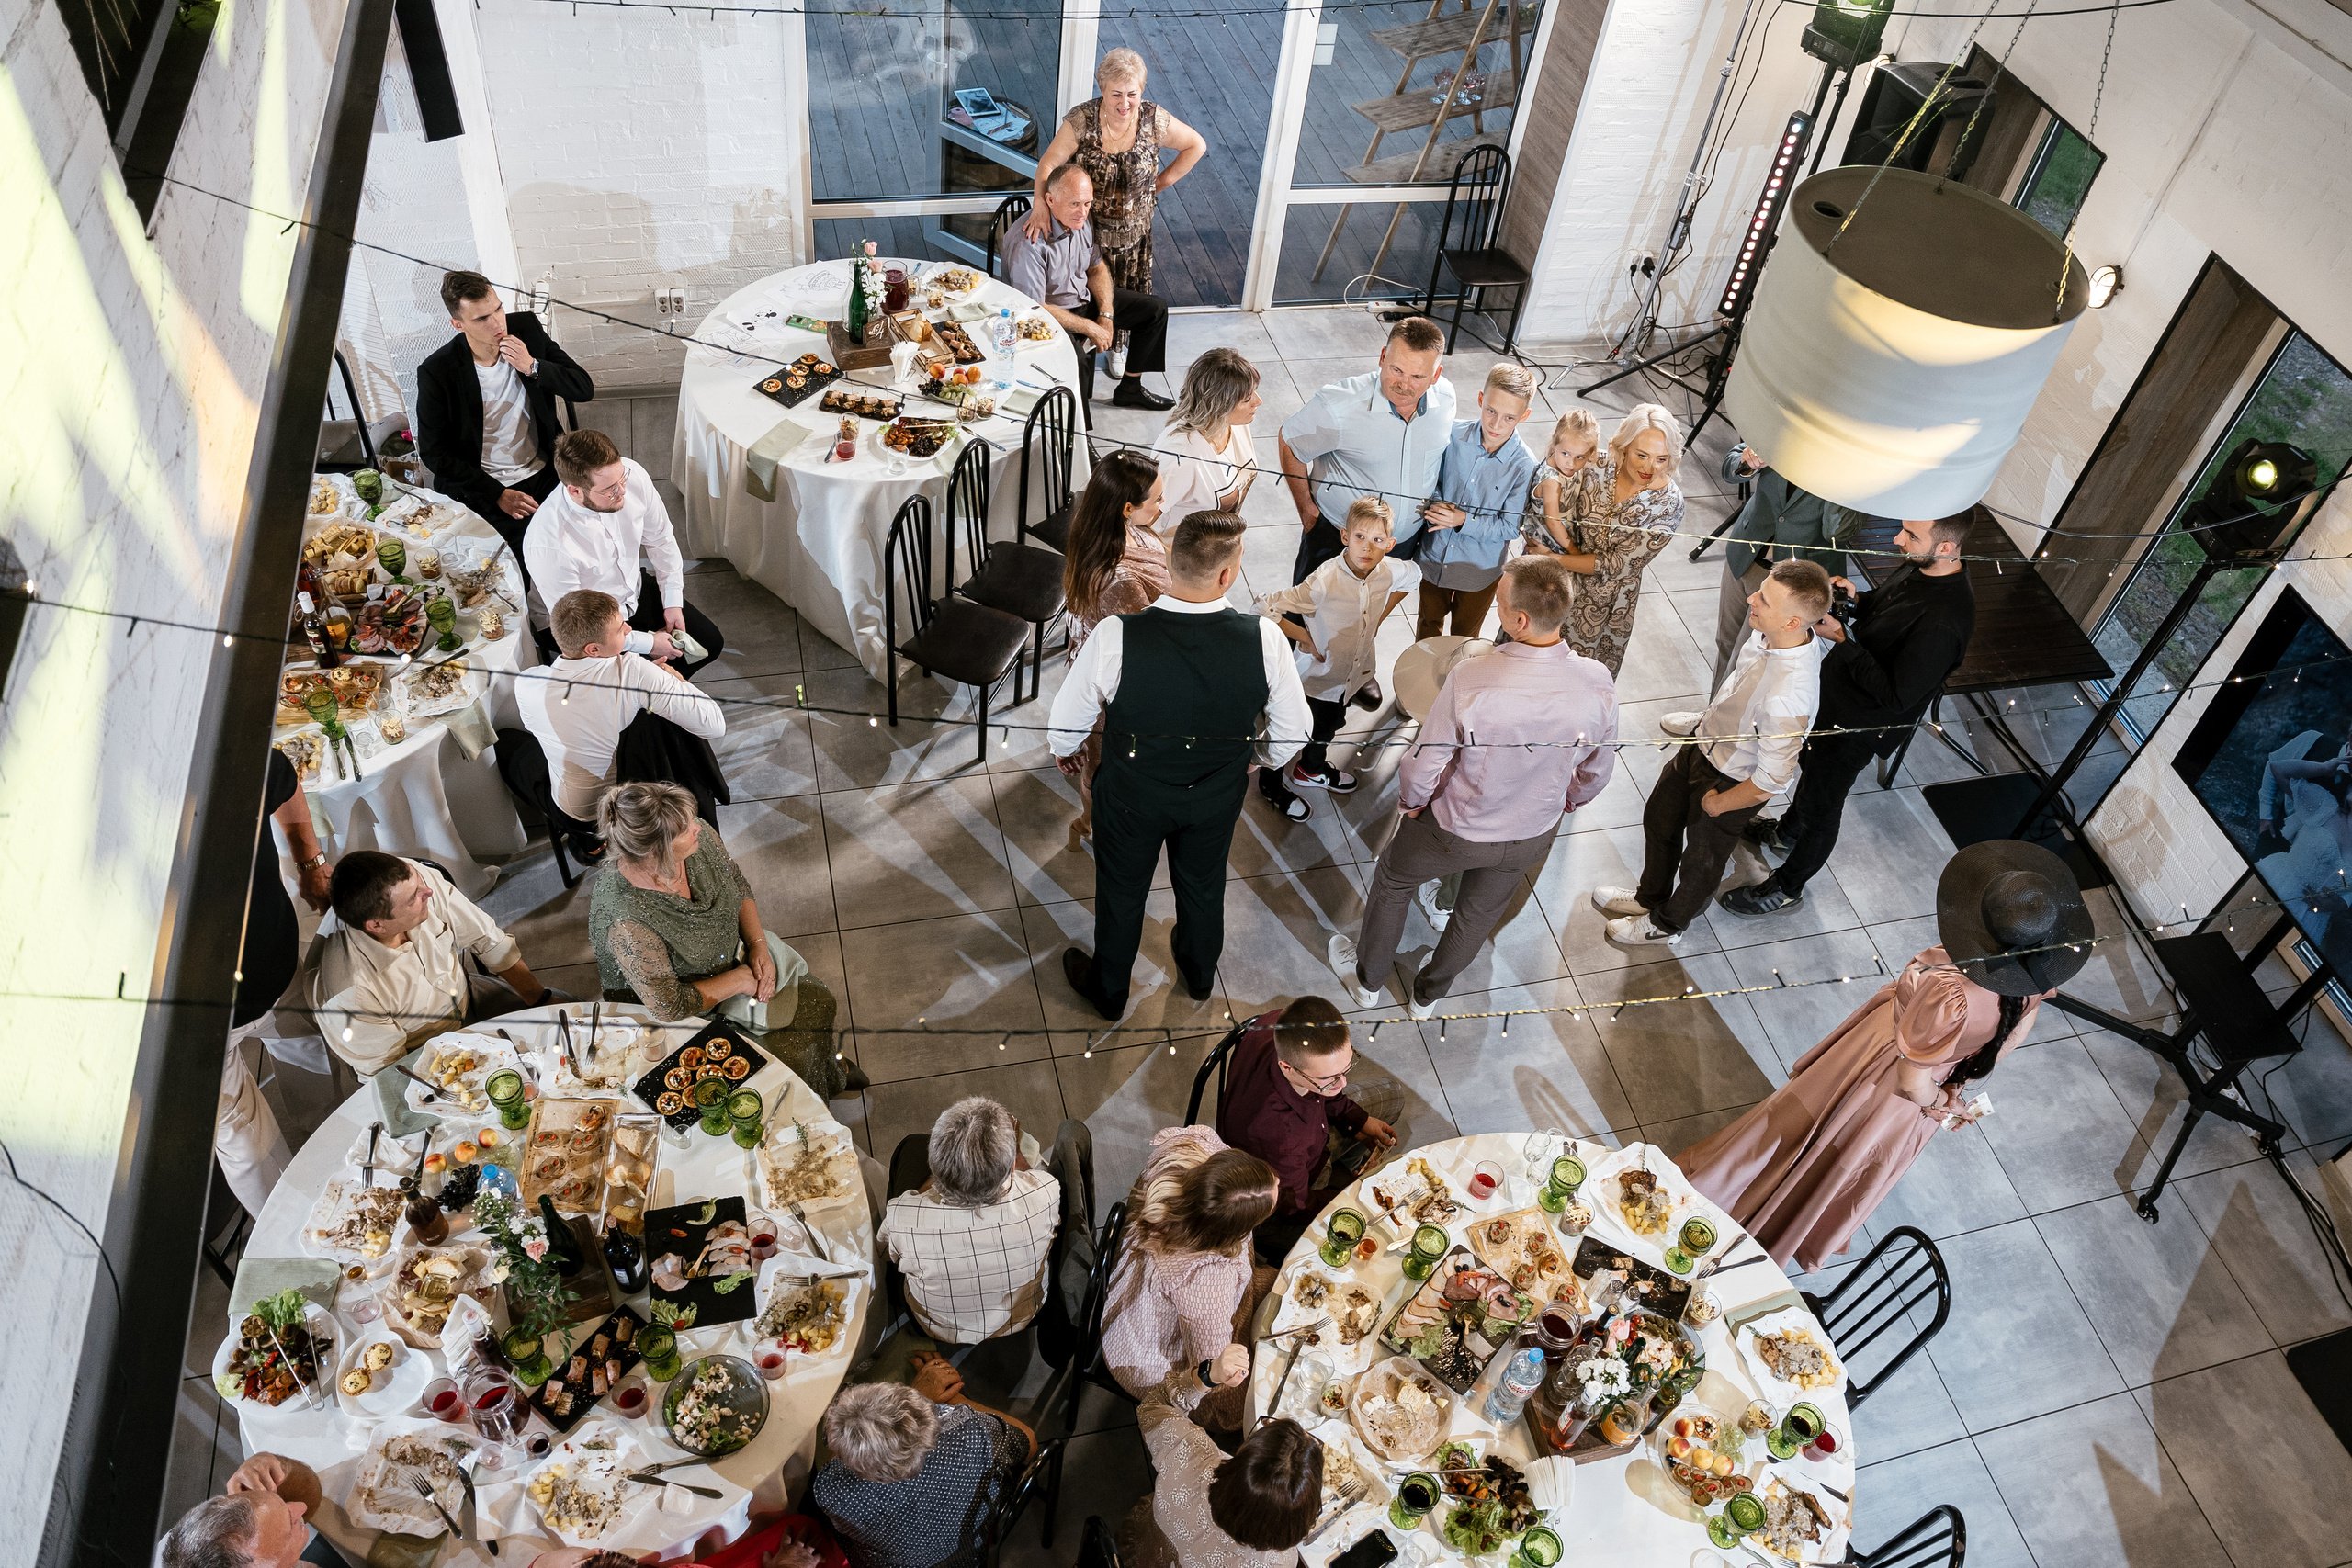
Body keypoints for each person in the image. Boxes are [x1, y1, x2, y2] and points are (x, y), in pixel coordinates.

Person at [1679, 840, 2088, 1269]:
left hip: (1883, 1068)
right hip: (1926, 1085)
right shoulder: (2034, 979)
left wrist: (1932, 1098)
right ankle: (1774, 1231)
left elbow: (1911, 1078)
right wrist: (1949, 1093)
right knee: (1838, 1158)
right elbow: (2008, 1040)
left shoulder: (1953, 991)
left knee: (1795, 1128)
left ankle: (1718, 1202)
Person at [1050, 511, 1312, 1020]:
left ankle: (1110, 992)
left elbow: (1065, 725)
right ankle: (1196, 976)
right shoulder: (1265, 639)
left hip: (1130, 795)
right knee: (1203, 885)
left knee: (1121, 892)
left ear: (1170, 563)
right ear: (1227, 575)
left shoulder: (1115, 635)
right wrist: (1254, 759)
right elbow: (1293, 733)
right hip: (1214, 795)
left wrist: (1068, 751)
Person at [1333, 558, 1617, 1015]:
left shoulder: (1473, 677)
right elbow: (1597, 770)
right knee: (1476, 916)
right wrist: (1566, 801)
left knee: (1393, 881)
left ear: (1519, 621)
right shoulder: (1598, 680)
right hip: (1531, 834)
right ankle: (1427, 997)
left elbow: (1424, 761)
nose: (1497, 609)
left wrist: (1411, 803)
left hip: (1455, 828)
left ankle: (1368, 981)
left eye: (1500, 603)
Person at [1718, 514, 1977, 917]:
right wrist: (1858, 601)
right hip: (1840, 698)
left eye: (1910, 535)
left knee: (1824, 802)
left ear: (1945, 547)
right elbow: (1886, 613)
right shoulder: (1922, 568)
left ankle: (1788, 885)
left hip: (1861, 725)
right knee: (1810, 767)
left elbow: (1896, 695)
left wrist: (1841, 640)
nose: (1897, 540)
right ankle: (1786, 832)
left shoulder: (1945, 621)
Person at [1594, 558, 1831, 949]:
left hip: (1729, 779)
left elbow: (1773, 779)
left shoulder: (1791, 696)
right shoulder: (1767, 634)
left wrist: (1720, 805)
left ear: (1792, 622)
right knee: (1658, 820)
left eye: (1766, 599)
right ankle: (1648, 898)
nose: (1752, 597)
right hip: (1702, 746)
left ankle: (1668, 925)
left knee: (1700, 864)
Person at [585, 782, 855, 1097]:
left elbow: (737, 884)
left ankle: (827, 1074)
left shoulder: (702, 838)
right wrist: (739, 979)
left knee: (818, 1000)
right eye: (685, 830)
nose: (696, 828)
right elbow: (669, 1006)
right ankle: (803, 1096)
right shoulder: (628, 921)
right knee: (787, 1055)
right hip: (688, 1007)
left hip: (732, 956)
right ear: (655, 851)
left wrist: (758, 945)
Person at [1023, 48, 1208, 379]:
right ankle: (1086, 347)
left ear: (1142, 90)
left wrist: (1158, 185)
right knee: (1087, 292)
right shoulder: (1082, 121)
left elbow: (1196, 145)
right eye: (1116, 94)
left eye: (1132, 94)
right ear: (1102, 90)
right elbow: (1048, 165)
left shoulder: (1154, 120)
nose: (1125, 103)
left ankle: (1118, 350)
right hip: (1087, 230)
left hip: (1135, 235)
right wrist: (1040, 203)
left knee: (1130, 296)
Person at [514, 589, 728, 853]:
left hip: (576, 810)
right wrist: (677, 680)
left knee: (511, 747)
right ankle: (596, 843)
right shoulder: (632, 672)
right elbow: (715, 725)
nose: (628, 629)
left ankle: (586, 844)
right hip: (629, 806)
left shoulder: (526, 683)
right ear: (593, 649)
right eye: (619, 629)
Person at [307, 852, 558, 1074]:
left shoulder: (410, 879)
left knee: (566, 1019)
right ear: (376, 925)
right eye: (413, 898)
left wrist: (539, 999)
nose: (428, 892)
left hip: (468, 997)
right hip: (420, 1054)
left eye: (418, 883)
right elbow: (391, 1071)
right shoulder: (347, 994)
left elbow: (488, 940)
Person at [1100, 1125, 1279, 1427]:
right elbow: (1211, 1364)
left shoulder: (1188, 1151)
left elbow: (1192, 1138)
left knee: (1278, 1284)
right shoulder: (1206, 1280)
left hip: (1131, 1291)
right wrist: (1231, 1373)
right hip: (1142, 1357)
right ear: (1231, 1235)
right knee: (1239, 1408)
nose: (1277, 1180)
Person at [1254, 497, 1419, 820]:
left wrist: (1378, 618)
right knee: (1290, 735)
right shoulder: (1325, 581)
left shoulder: (1390, 571)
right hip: (1315, 681)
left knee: (1329, 727)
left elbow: (1414, 575)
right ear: (1344, 536)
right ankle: (1271, 785)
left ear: (1391, 544)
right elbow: (1263, 607)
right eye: (1359, 536)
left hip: (1350, 677)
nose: (1367, 548)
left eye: (1377, 540)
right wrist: (1307, 640)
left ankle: (1310, 769)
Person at [220, 750, 334, 1213]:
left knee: (317, 1059)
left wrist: (308, 861)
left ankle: (331, 1151)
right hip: (196, 1027)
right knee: (248, 1146)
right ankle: (289, 1233)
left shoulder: (221, 753)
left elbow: (282, 779)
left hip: (275, 963)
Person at [414, 270, 594, 558]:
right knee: (519, 564)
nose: (498, 323)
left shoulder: (525, 330)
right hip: (487, 484)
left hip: (546, 469)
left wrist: (533, 366)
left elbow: (583, 388)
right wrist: (496, 494)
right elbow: (435, 454)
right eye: (482, 319)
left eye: (498, 309)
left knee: (587, 542)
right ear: (458, 324)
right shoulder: (438, 372)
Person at [524, 428, 725, 679]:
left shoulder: (629, 475)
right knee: (636, 686)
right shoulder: (548, 545)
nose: (623, 492)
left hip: (631, 593)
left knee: (710, 642)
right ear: (575, 490)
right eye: (610, 489)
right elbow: (581, 625)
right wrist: (649, 645)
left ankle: (658, 690)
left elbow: (661, 539)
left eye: (622, 479)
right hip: (580, 627)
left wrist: (672, 601)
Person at [1216, 998, 1400, 1265]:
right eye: (1330, 1078)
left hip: (1302, 1146)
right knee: (1360, 1226)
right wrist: (1354, 1187)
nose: (1343, 1082)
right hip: (1274, 1200)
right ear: (1287, 1067)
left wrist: (1357, 1120)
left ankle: (1341, 1165)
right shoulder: (1280, 1137)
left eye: (1346, 1068)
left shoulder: (1279, 1021)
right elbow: (1297, 1207)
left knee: (1393, 1096)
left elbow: (1330, 1089)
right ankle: (1341, 1174)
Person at [1281, 316, 1455, 584]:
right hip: (1338, 540)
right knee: (1305, 617)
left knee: (1368, 618)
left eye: (1418, 376)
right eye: (1397, 370)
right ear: (1383, 357)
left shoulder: (1446, 399)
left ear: (1436, 375)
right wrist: (1307, 510)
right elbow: (1290, 441)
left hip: (1402, 543)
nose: (1404, 385)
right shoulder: (1339, 406)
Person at [809, 1363, 1035, 1568]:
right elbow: (1029, 1443)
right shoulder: (972, 1432)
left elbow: (836, 1464)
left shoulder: (832, 1490)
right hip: (977, 1542)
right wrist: (945, 1398)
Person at [879, 1097, 1061, 1344]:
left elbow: (885, 1254)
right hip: (1025, 1314)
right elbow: (1028, 1176)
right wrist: (1015, 1148)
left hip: (938, 1328)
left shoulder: (902, 1215)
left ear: (934, 1166)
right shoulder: (1047, 1192)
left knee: (910, 1145)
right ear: (1010, 1169)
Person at [1062, 450, 1170, 850]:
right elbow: (1144, 651)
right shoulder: (1120, 581)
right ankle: (1090, 824)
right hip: (1111, 692)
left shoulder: (1097, 526)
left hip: (1093, 658)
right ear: (1127, 508)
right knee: (1102, 765)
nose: (1163, 506)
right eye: (1156, 500)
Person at [1122, 1354, 1321, 1568]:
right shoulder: (1281, 1563)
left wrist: (1209, 1375)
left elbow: (1153, 1406)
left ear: (1247, 1451)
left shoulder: (1191, 1453)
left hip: (1148, 1552)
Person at [1002, 163, 1172, 410]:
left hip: (1081, 300)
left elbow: (1096, 268)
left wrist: (1105, 313)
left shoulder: (1080, 219)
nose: (1082, 211)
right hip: (1048, 318)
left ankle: (1130, 388)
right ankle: (1080, 438)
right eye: (1074, 203)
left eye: (1087, 203)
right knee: (1078, 361)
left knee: (1154, 310)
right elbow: (1035, 308)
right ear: (1049, 200)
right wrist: (1090, 327)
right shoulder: (1029, 243)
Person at [1708, 440, 1864, 687]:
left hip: (1792, 582)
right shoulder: (1785, 425)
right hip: (1745, 553)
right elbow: (1730, 467)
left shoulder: (1856, 462)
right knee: (1726, 642)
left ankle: (1724, 724)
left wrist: (1838, 483)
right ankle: (1710, 717)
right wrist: (1747, 461)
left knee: (1751, 658)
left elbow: (1837, 531)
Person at [1550, 404, 1689, 678]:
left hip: (1602, 606)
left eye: (1662, 459)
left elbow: (1615, 565)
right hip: (1554, 585)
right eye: (1642, 455)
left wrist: (1552, 559)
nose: (1650, 467)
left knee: (1574, 683)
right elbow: (1554, 502)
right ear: (1624, 446)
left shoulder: (1670, 504)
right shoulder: (1594, 464)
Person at [1412, 364, 1539, 640]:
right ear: (1481, 399)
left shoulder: (1525, 465)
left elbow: (1508, 528)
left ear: (1524, 416)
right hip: (1434, 558)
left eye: (1509, 418)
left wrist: (1462, 521)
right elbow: (1430, 482)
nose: (1495, 424)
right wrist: (1434, 502)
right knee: (1427, 624)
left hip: (1479, 573)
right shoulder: (1452, 435)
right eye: (1491, 411)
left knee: (1465, 638)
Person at [161, 1453, 348, 1568]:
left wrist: (277, 1466)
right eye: (290, 1526)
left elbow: (310, 1496)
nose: (301, 1507)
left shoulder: (191, 1542)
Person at [1154, 347, 1263, 522]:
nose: (1259, 401)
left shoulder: (1235, 423)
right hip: (1177, 548)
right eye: (1248, 399)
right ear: (1220, 405)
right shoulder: (1181, 458)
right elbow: (1139, 523)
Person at [1518, 408, 1602, 560]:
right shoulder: (1551, 482)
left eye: (1580, 457)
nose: (1571, 463)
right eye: (1566, 454)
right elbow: (1553, 522)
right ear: (1554, 441)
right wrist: (1574, 553)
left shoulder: (1565, 462)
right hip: (1549, 544)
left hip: (1565, 534)